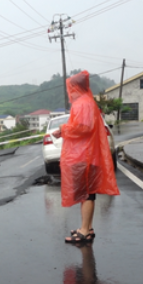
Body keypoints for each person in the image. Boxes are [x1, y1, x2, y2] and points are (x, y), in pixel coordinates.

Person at [52, 71, 120, 243]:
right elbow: (84, 127)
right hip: (88, 155)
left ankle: (84, 231)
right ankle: (87, 227)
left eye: (71, 88)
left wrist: (63, 128)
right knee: (88, 194)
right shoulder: (88, 102)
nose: (70, 92)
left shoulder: (82, 103)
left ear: (75, 87)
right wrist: (65, 129)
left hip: (84, 156)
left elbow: (83, 127)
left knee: (87, 194)